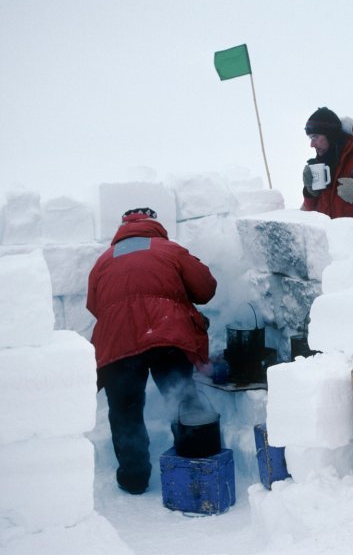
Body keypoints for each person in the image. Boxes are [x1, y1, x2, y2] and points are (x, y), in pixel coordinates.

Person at [87, 207, 217, 494]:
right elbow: (206, 289)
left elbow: (95, 306)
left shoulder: (102, 262)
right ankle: (193, 466)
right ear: (155, 225)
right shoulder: (169, 249)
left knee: (125, 411)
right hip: (168, 334)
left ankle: (133, 480)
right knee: (182, 399)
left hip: (117, 343)